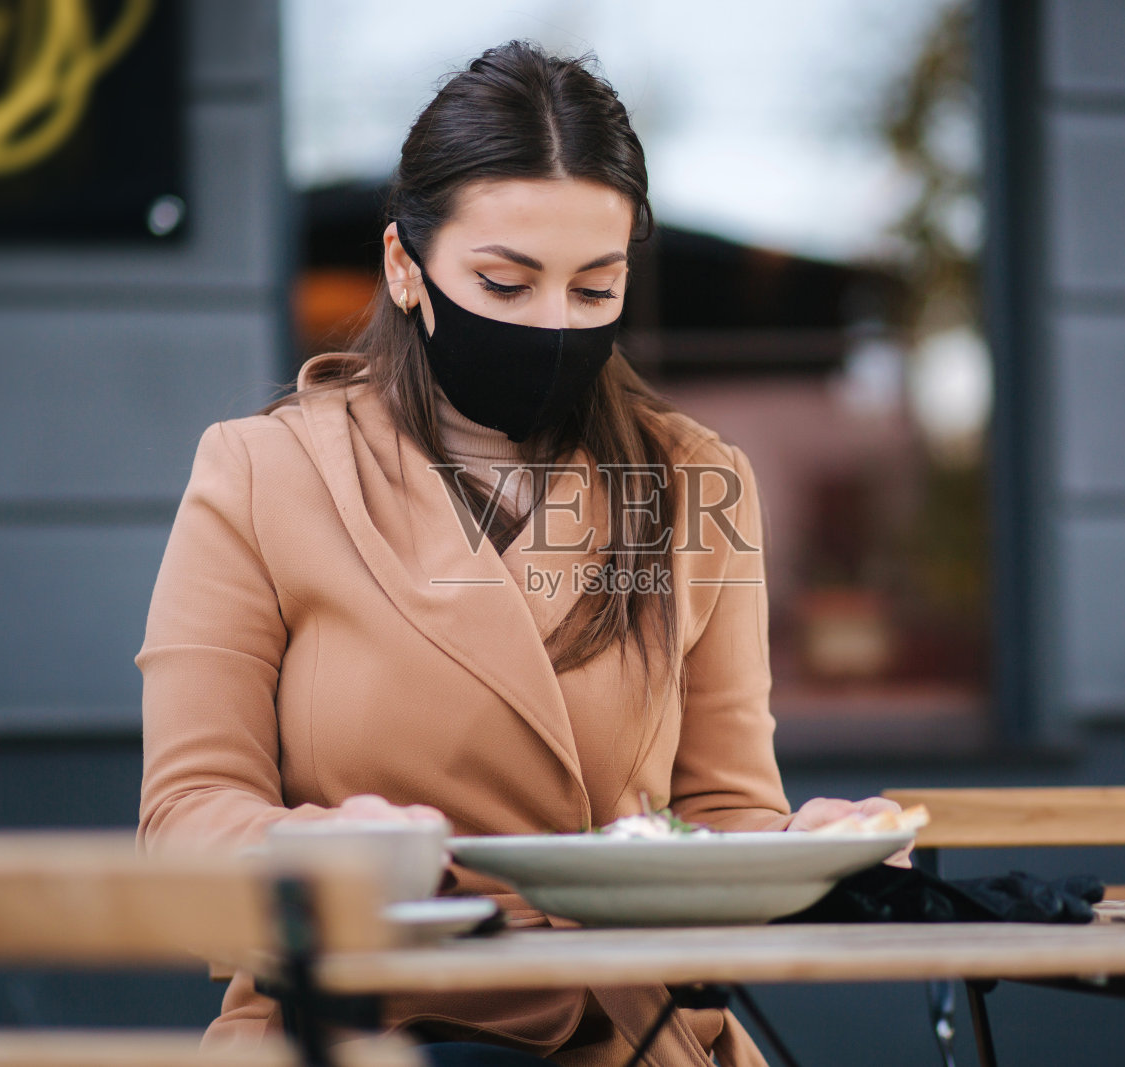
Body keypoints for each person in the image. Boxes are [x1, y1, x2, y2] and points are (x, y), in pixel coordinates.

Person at [137, 39, 905, 1067]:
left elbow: (722, 807)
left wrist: (805, 852)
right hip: (358, 1027)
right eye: (504, 283)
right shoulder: (260, 473)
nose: (553, 324)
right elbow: (186, 814)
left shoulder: (691, 479)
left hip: (629, 1034)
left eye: (594, 290)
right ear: (406, 268)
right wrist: (309, 851)